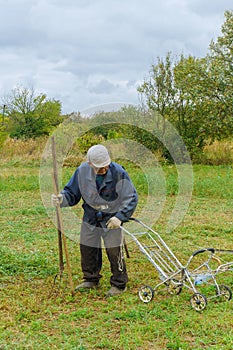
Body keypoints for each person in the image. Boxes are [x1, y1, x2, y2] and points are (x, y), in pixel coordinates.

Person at [52, 144, 138, 296]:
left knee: (113, 250)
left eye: (106, 166)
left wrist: (120, 217)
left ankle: (119, 283)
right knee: (87, 247)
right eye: (100, 167)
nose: (104, 169)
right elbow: (72, 193)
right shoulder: (81, 171)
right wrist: (62, 199)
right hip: (91, 216)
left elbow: (131, 196)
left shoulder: (118, 172)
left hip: (111, 217)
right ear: (90, 164)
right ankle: (91, 279)